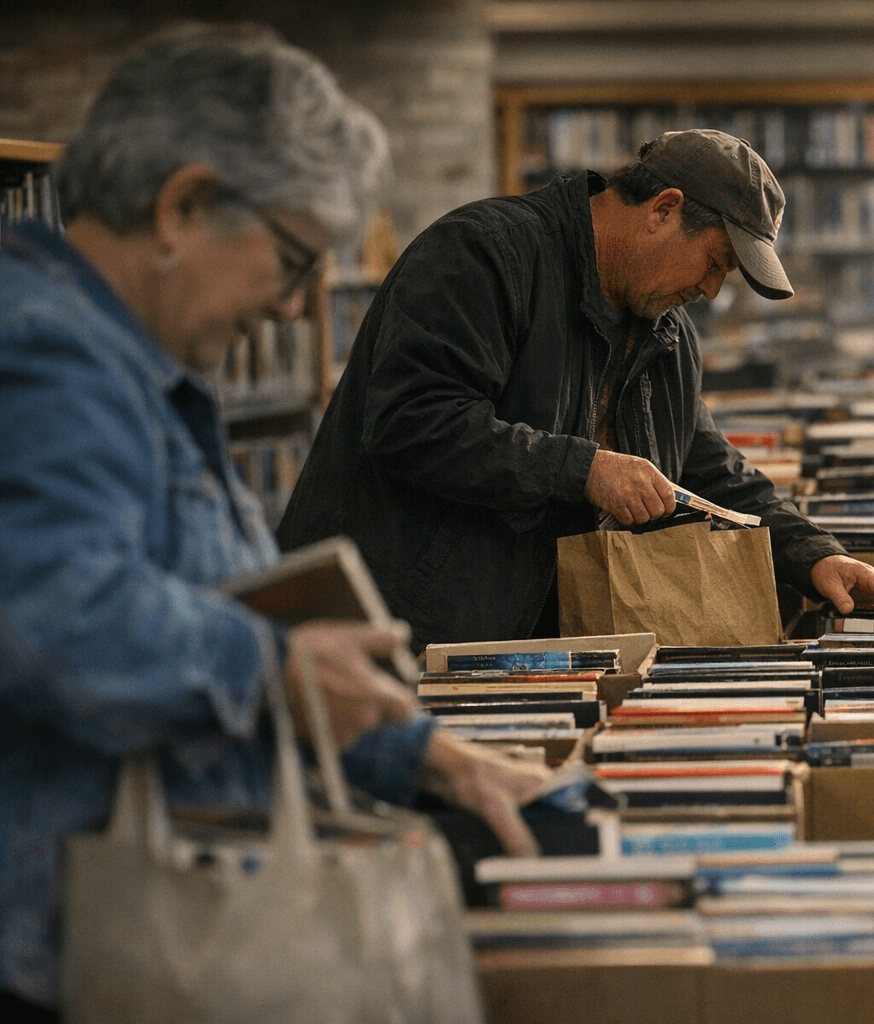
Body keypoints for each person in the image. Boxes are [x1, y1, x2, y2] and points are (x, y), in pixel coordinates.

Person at [0, 25, 550, 1020]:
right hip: (64, 948)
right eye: (294, 259)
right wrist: (279, 670)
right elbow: (57, 615)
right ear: (184, 206)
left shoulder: (142, 367)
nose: (299, 311)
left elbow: (236, 640)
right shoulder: (42, 356)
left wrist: (429, 756)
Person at [276, 128, 874, 648]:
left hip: (531, 649)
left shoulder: (664, 329)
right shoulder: (483, 255)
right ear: (664, 210)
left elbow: (706, 469)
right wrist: (582, 469)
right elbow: (412, 420)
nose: (713, 290)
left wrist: (811, 553)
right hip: (397, 634)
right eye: (715, 262)